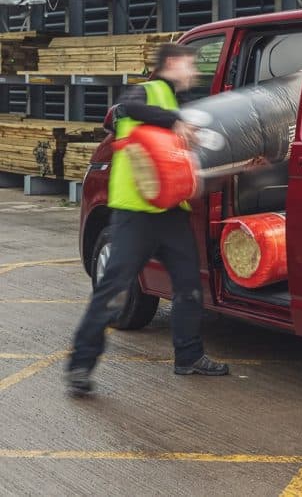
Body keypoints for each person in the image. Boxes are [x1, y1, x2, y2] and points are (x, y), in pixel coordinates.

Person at [65, 43, 229, 396]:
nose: (194, 72)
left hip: (171, 215)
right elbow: (125, 108)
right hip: (135, 215)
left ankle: (189, 357)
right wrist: (174, 121)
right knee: (112, 289)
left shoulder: (176, 105)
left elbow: (183, 164)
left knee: (188, 287)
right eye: (189, 65)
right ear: (171, 63)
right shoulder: (147, 92)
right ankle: (80, 365)